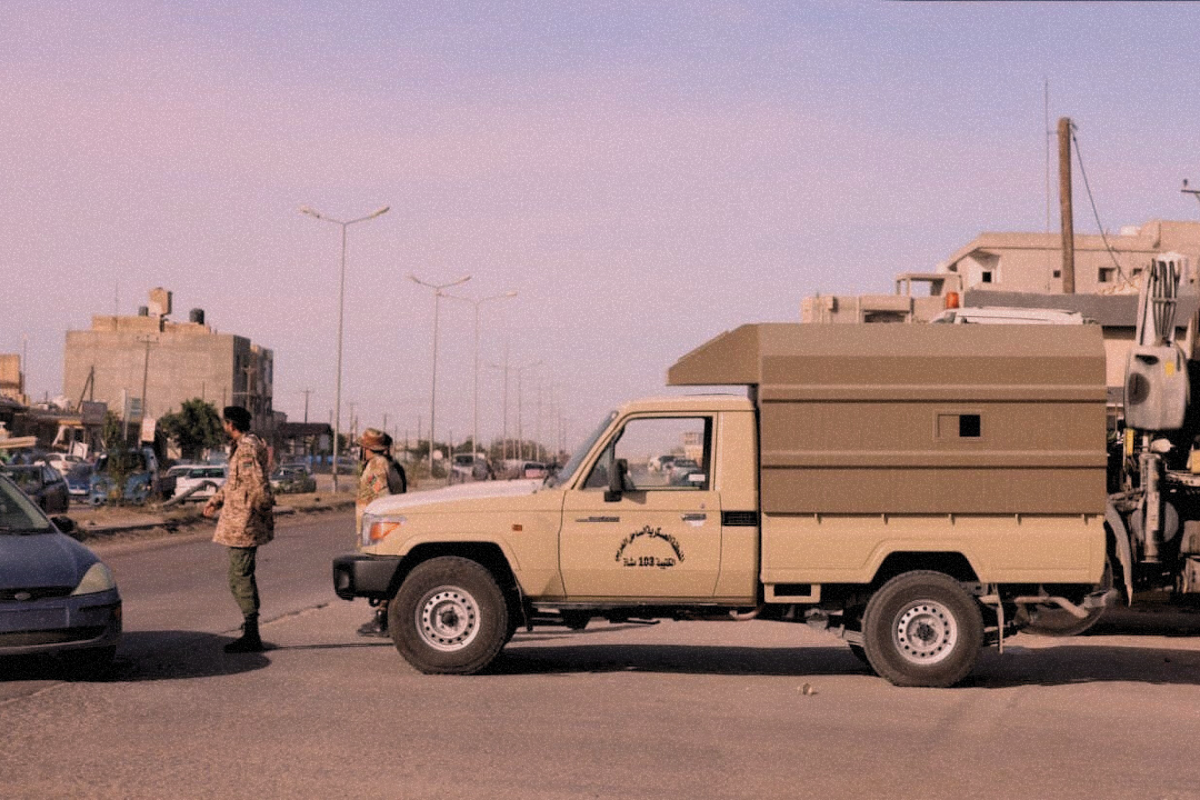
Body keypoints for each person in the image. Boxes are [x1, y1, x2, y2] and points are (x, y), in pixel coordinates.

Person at [203, 405, 275, 653]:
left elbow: (257, 485)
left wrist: (262, 515)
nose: (224, 428)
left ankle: (252, 633)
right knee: (238, 577)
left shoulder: (246, 449)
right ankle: (250, 628)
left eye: (225, 423)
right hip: (237, 522)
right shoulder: (243, 446)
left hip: (243, 524)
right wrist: (215, 500)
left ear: (231, 424)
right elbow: (235, 483)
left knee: (240, 577)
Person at [355, 428, 406, 637]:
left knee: (383, 575)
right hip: (380, 526)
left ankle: (382, 619)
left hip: (379, 527)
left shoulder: (377, 465)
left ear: (367, 448)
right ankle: (382, 617)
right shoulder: (388, 464)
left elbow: (382, 496)